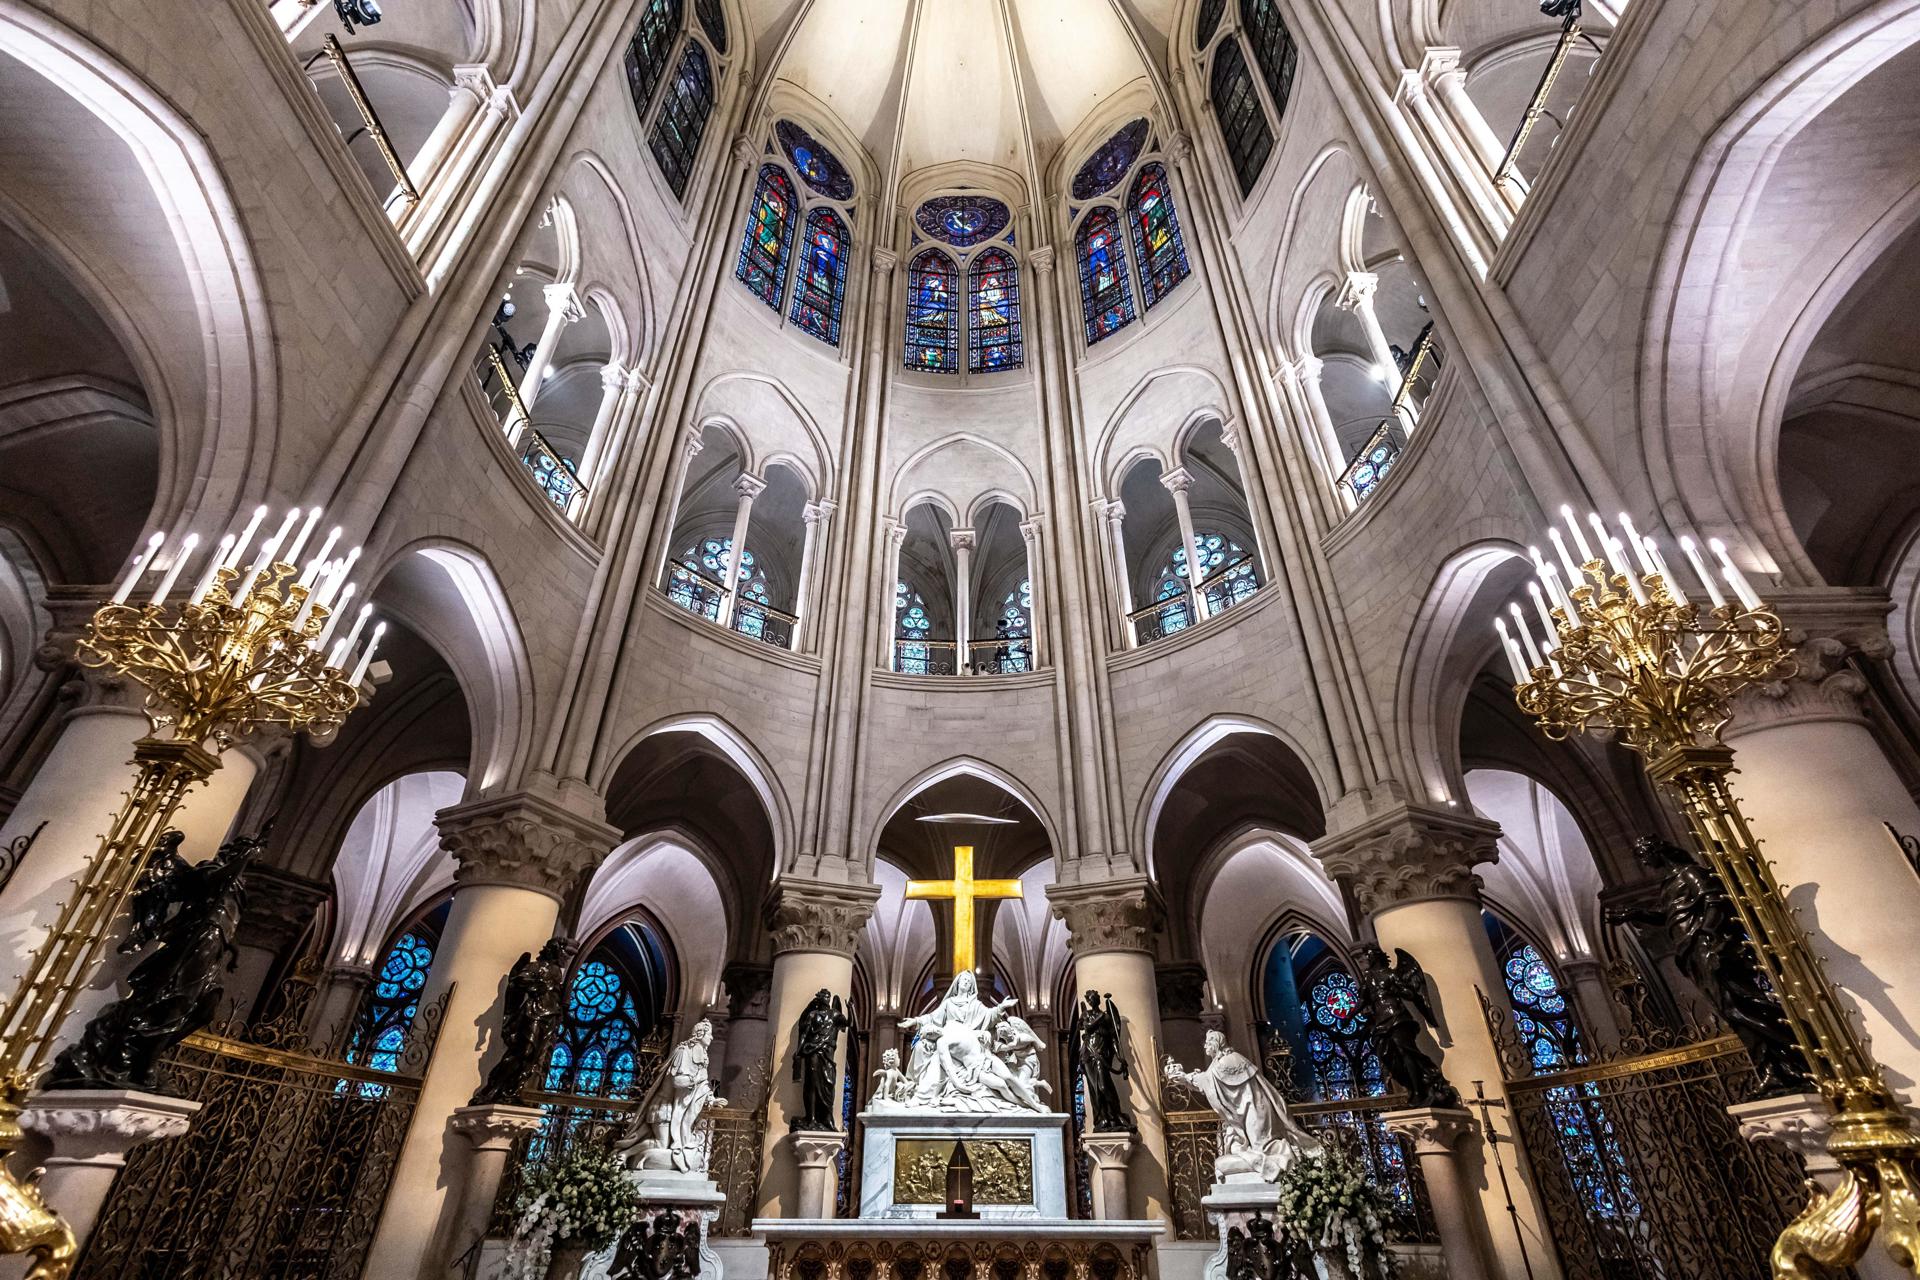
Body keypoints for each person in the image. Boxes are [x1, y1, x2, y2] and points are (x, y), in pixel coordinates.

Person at [1164, 1030, 1321, 1182]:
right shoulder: (1217, 1063)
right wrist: (1185, 1079)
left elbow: (1209, 1080)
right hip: (1245, 1111)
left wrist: (1186, 1078)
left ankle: (1291, 1164)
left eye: (1208, 1042)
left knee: (1264, 1147)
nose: (1205, 1045)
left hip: (1256, 1110)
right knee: (1240, 1151)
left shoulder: (1230, 1059)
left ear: (1217, 1043)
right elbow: (1209, 1081)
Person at [791, 989, 848, 1130]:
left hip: (827, 1054)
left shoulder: (834, 1014)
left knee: (829, 1085)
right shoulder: (812, 1014)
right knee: (811, 1084)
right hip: (813, 1051)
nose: (827, 999)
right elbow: (804, 1034)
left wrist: (850, 1009)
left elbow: (848, 1024)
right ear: (819, 998)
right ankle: (811, 1118)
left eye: (828, 996)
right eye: (824, 996)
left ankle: (827, 1118)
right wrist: (798, 1051)